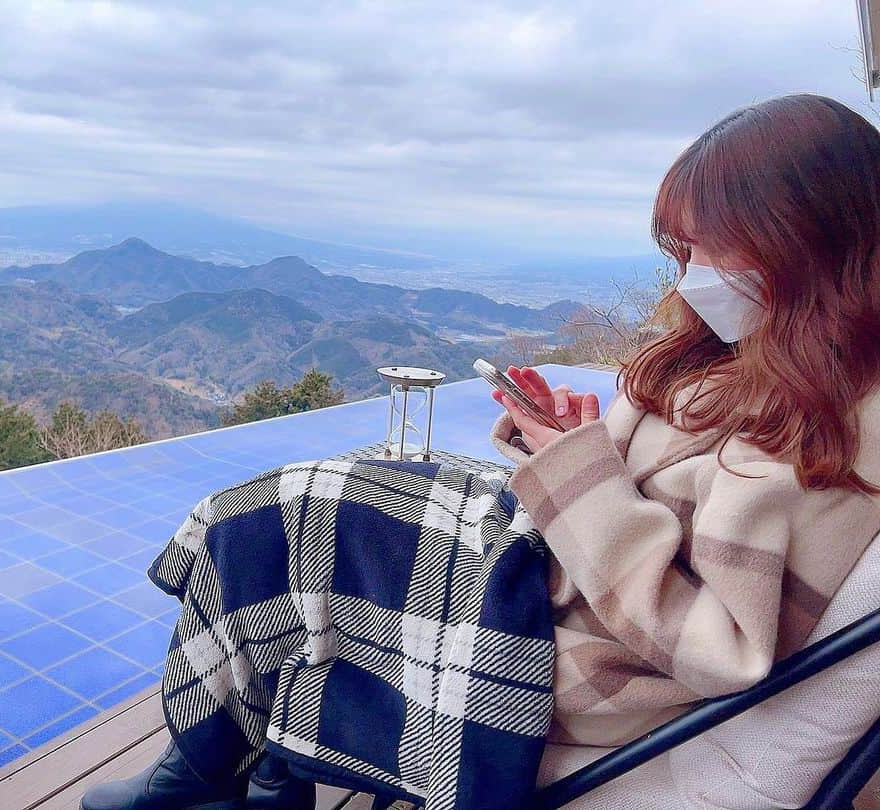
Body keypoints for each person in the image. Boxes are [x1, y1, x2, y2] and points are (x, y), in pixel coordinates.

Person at [81, 93, 880, 810]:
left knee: (290, 519)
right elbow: (647, 497)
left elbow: (720, 651)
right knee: (316, 498)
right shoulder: (773, 353)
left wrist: (579, 472)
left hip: (573, 651)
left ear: (812, 242)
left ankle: (207, 767)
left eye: (716, 250)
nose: (694, 276)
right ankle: (241, 762)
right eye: (686, 251)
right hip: (558, 575)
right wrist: (576, 443)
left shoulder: (825, 438)